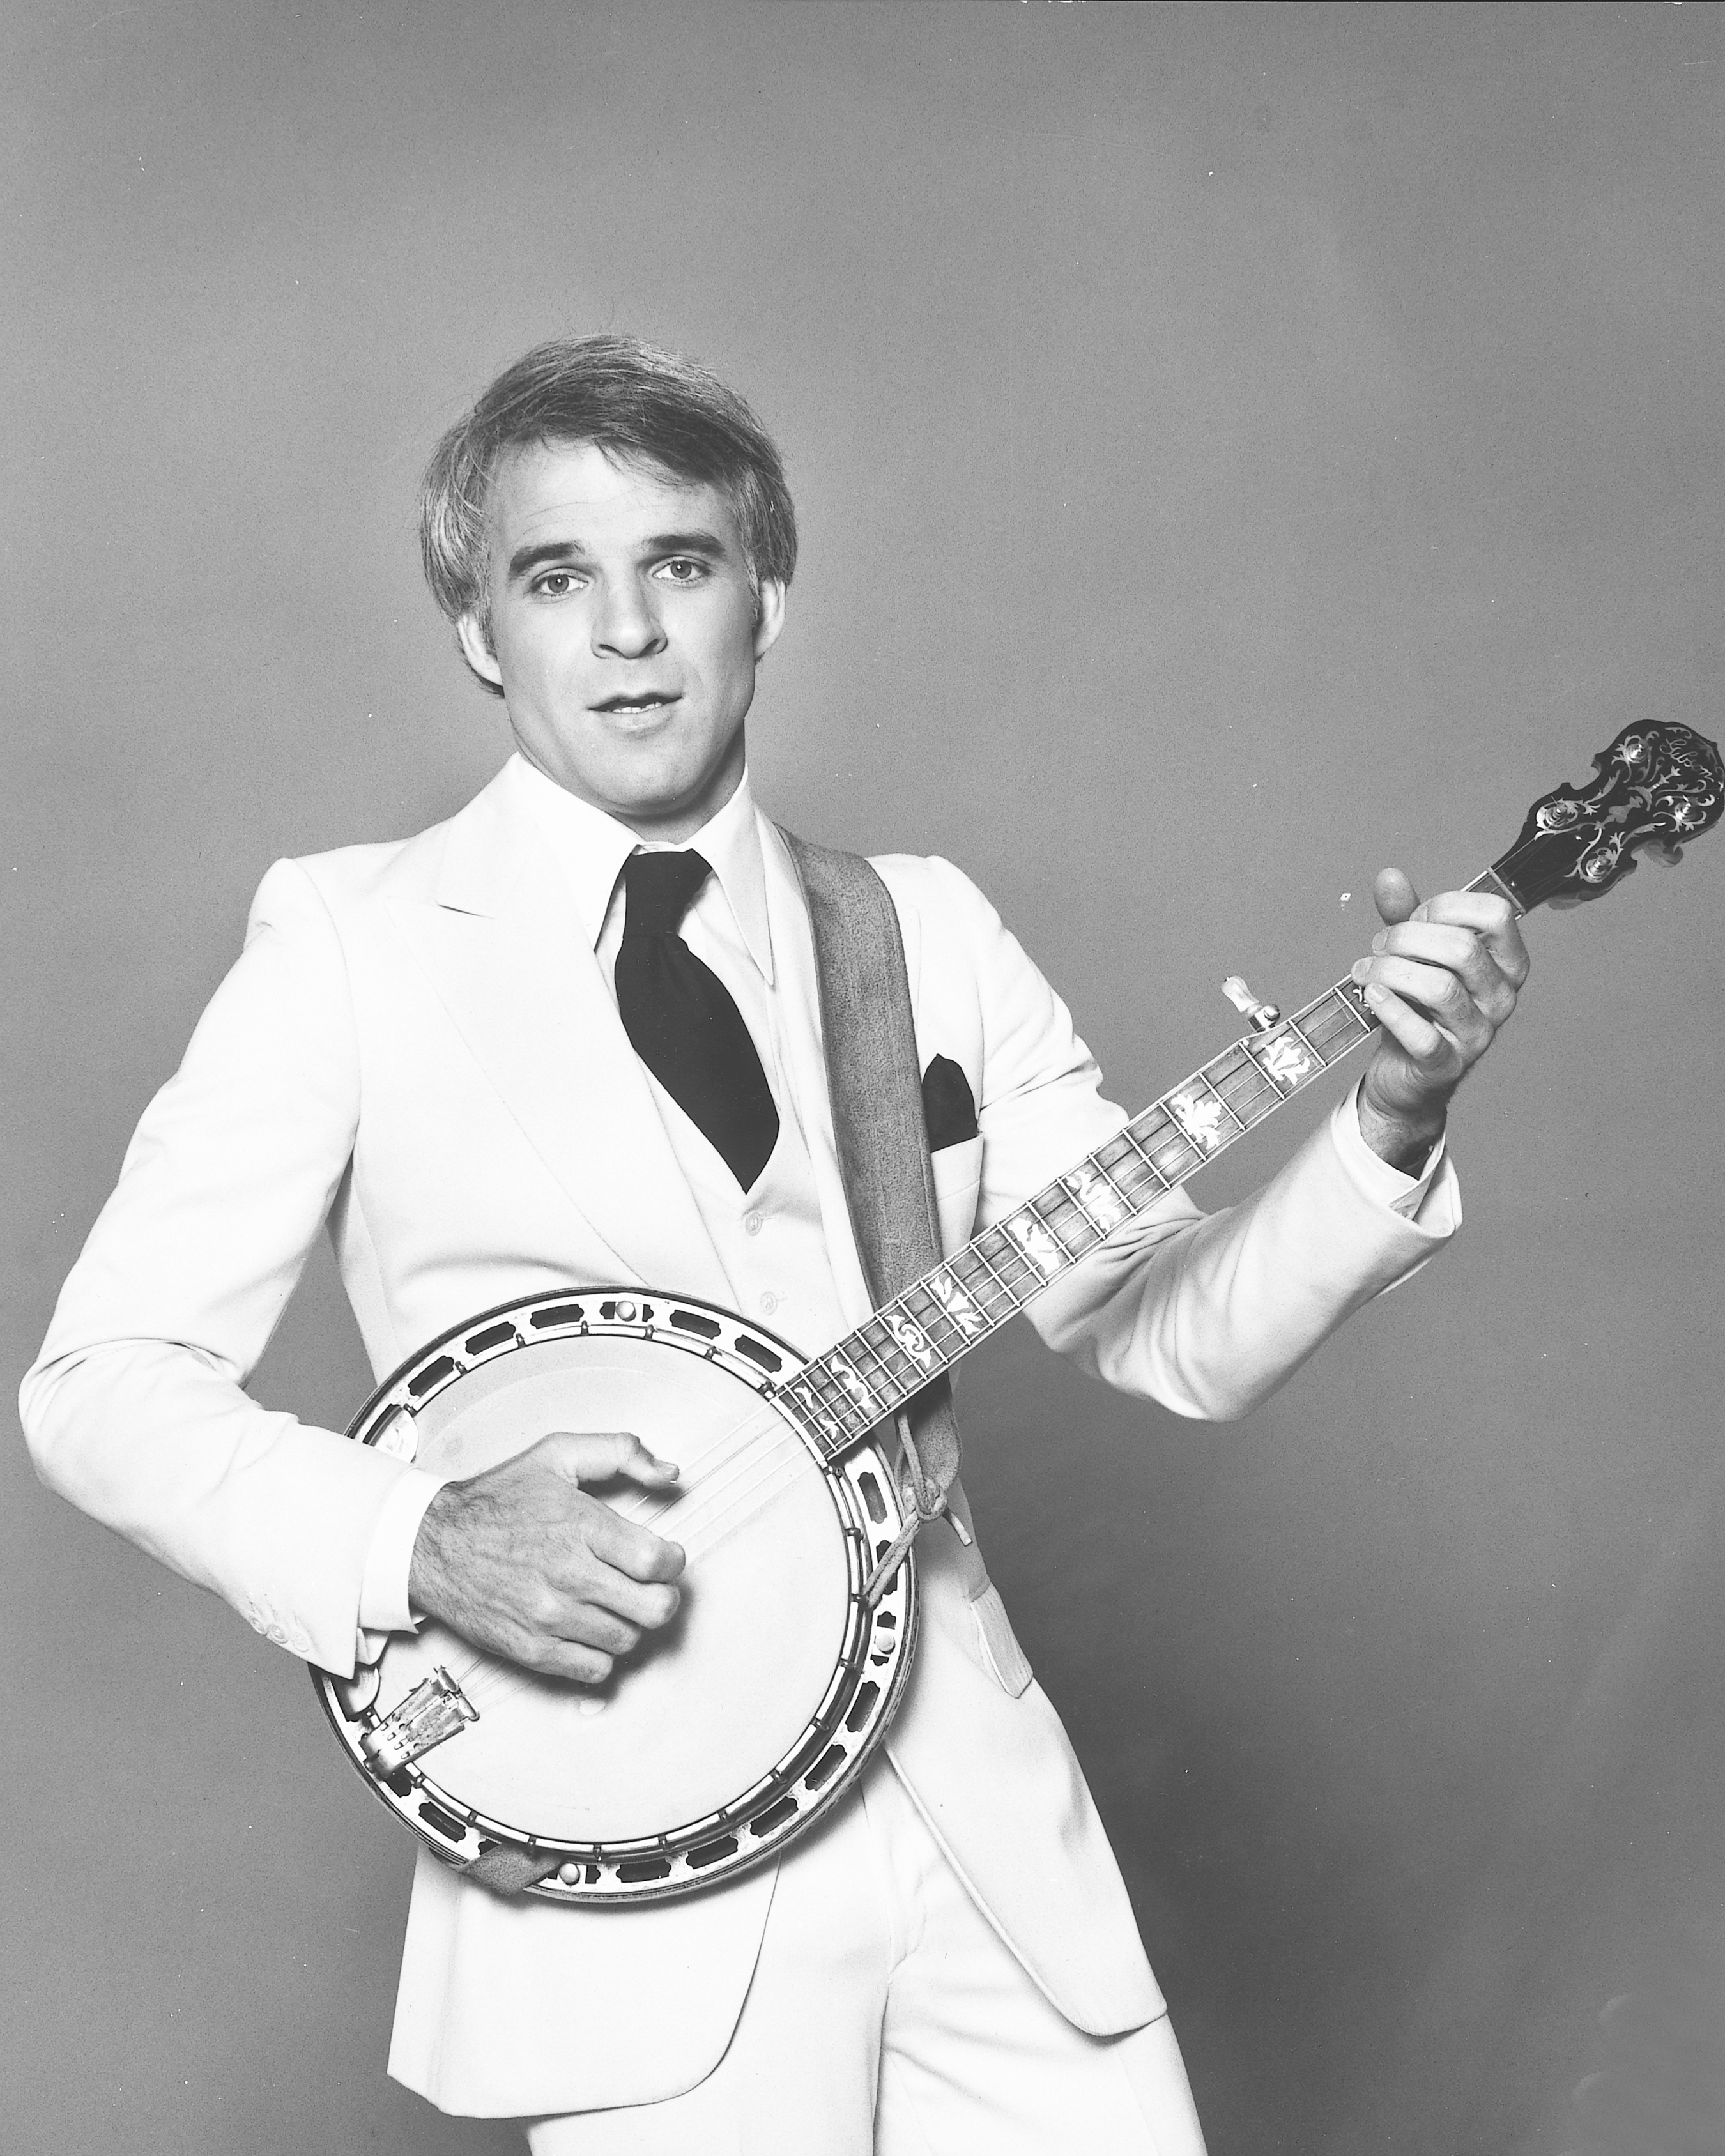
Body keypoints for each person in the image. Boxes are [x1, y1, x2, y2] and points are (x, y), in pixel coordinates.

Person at [20, 334, 1528, 2153]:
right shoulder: (354, 942)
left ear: (769, 598)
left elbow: (1169, 1332)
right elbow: (103, 1387)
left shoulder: (922, 934)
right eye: (556, 578)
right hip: (634, 1859)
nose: (629, 633)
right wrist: (415, 1538)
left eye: (682, 564)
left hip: (986, 1845)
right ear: (481, 634)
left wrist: (1390, 1116)